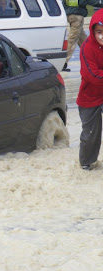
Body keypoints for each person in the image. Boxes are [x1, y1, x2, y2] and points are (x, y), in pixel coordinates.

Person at [77, 8, 103, 170]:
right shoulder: (87, 48)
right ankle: (86, 163)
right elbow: (93, 76)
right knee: (90, 135)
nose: (102, 36)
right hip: (89, 97)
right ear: (93, 31)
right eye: (99, 32)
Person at [61, 0, 103, 72]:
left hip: (71, 15)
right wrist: (100, 3)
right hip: (77, 16)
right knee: (72, 40)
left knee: (84, 41)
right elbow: (88, 1)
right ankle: (63, 62)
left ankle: (94, 59)